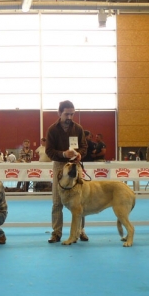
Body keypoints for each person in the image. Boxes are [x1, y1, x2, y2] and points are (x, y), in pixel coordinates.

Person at [45, 100, 88, 243]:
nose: (69, 117)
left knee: (79, 201)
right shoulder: (52, 129)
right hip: (59, 167)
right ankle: (56, 232)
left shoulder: (79, 128)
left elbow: (84, 146)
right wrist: (64, 154)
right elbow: (49, 152)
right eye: (66, 114)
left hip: (76, 165)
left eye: (72, 114)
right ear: (59, 113)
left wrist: (80, 154)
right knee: (57, 202)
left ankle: (80, 230)